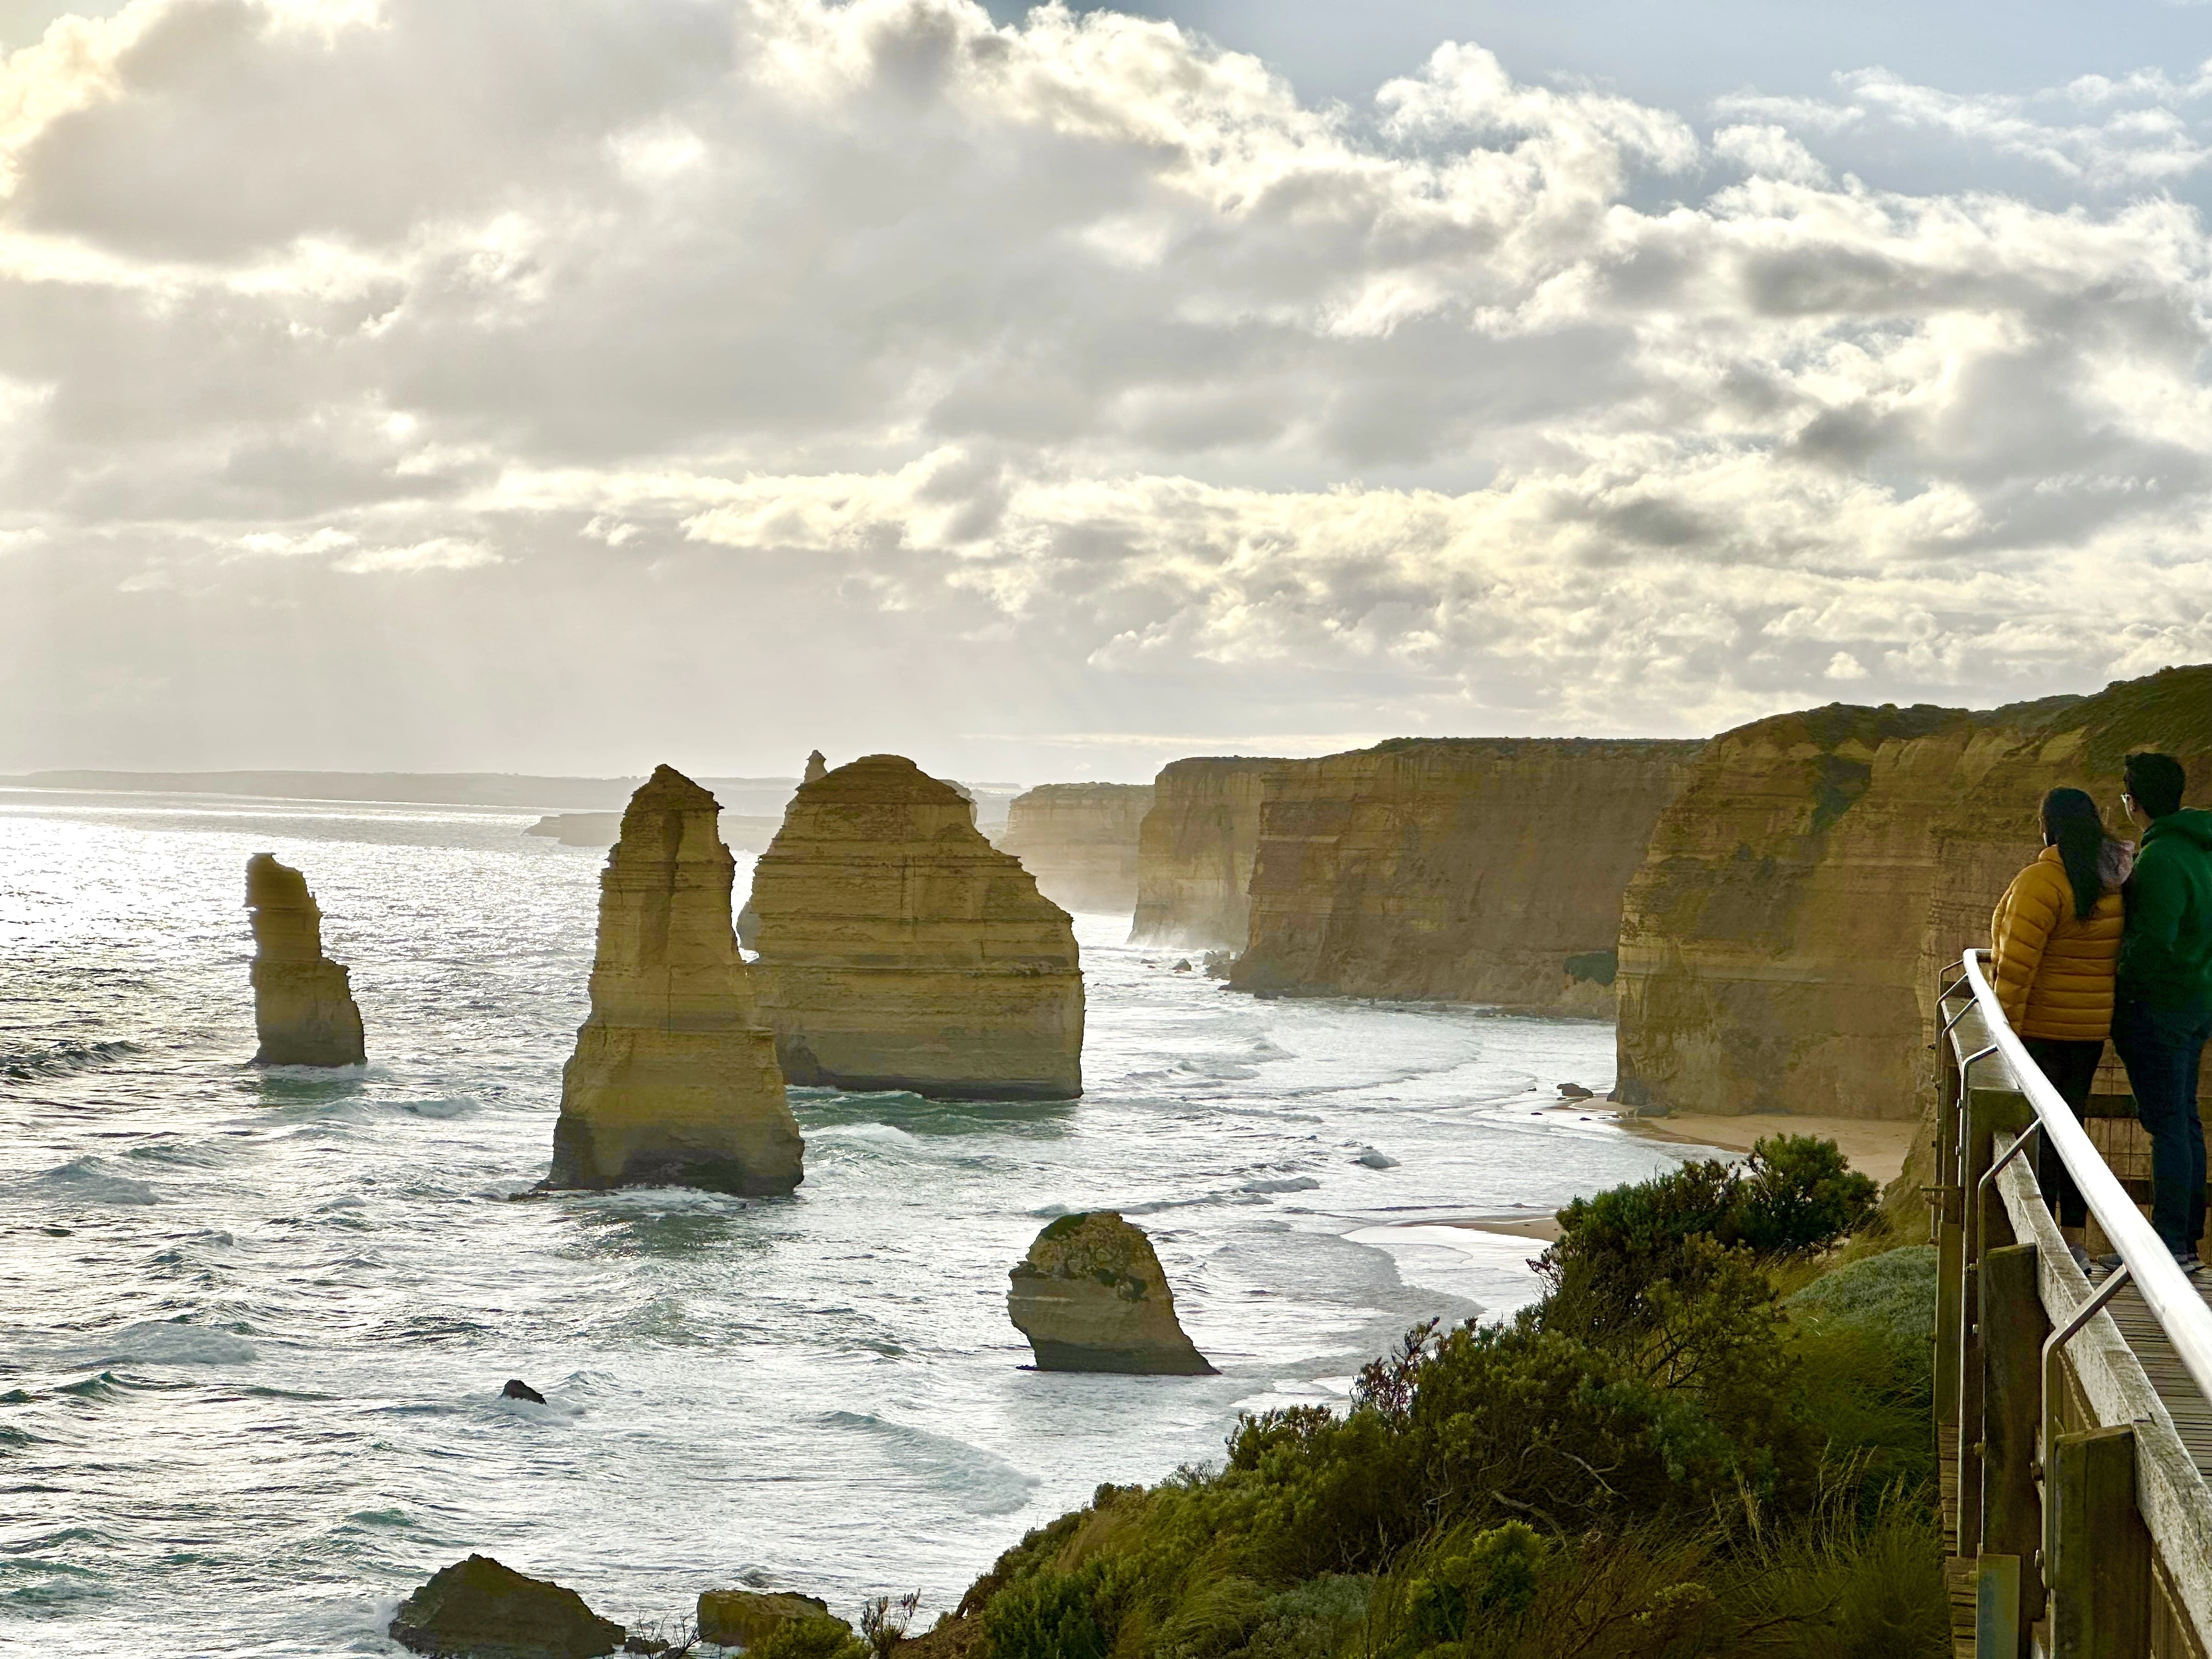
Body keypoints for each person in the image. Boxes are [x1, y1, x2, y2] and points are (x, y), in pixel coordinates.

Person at [1990, 787, 2128, 1275]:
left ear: (2048, 825)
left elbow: (2017, 966)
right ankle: (2074, 1237)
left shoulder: (2042, 881)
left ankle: (2051, 1239)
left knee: (2045, 1133)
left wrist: (2003, 1030)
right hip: (2089, 1029)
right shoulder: (2113, 878)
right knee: (2073, 1132)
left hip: (2043, 1028)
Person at [2112, 752, 2212, 1271]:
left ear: (2135, 801)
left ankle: (2172, 1244)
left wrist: (2122, 988)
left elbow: (2153, 943)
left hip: (2164, 1009)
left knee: (2168, 1125)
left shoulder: (2162, 860)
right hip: (2199, 1002)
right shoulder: (2202, 850)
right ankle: (2186, 1239)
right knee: (2185, 1120)